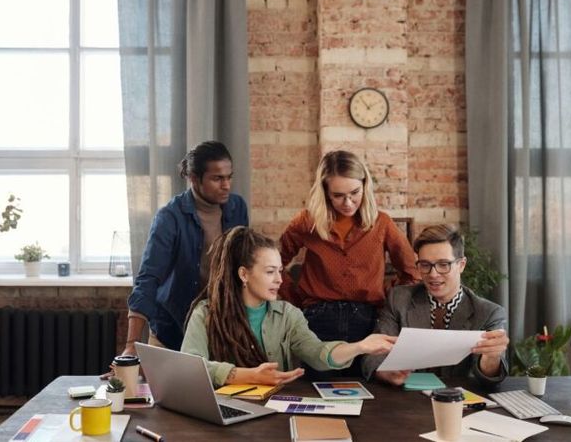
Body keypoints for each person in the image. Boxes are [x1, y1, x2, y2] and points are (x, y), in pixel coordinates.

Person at [181, 226, 396, 387]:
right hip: (223, 411)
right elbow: (190, 367)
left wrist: (359, 347)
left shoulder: (288, 315)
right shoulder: (206, 314)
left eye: (280, 270)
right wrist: (248, 376)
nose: (279, 280)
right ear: (244, 274)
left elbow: (318, 353)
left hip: (275, 414)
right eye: (269, 271)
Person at [278, 150, 420, 377]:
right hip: (317, 321)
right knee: (318, 392)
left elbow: (412, 272)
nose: (348, 202)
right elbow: (275, 264)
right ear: (325, 192)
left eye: (355, 192)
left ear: (365, 185)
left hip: (367, 322)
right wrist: (297, 300)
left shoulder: (382, 224)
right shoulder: (306, 223)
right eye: (338, 195)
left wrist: (385, 295)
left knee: (369, 394)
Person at [123, 141, 249, 356]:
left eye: (229, 177)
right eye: (217, 178)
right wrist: (132, 344)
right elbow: (149, 278)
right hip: (173, 331)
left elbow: (243, 265)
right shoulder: (169, 217)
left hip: (221, 331)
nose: (226, 185)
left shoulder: (237, 208)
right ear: (193, 178)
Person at [362, 224, 509, 386]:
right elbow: (372, 356)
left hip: (459, 402)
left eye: (443, 264)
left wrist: (492, 357)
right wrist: (385, 372)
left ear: (461, 265)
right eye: (425, 265)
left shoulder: (489, 313)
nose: (433, 274)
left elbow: (489, 378)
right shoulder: (399, 299)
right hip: (406, 399)